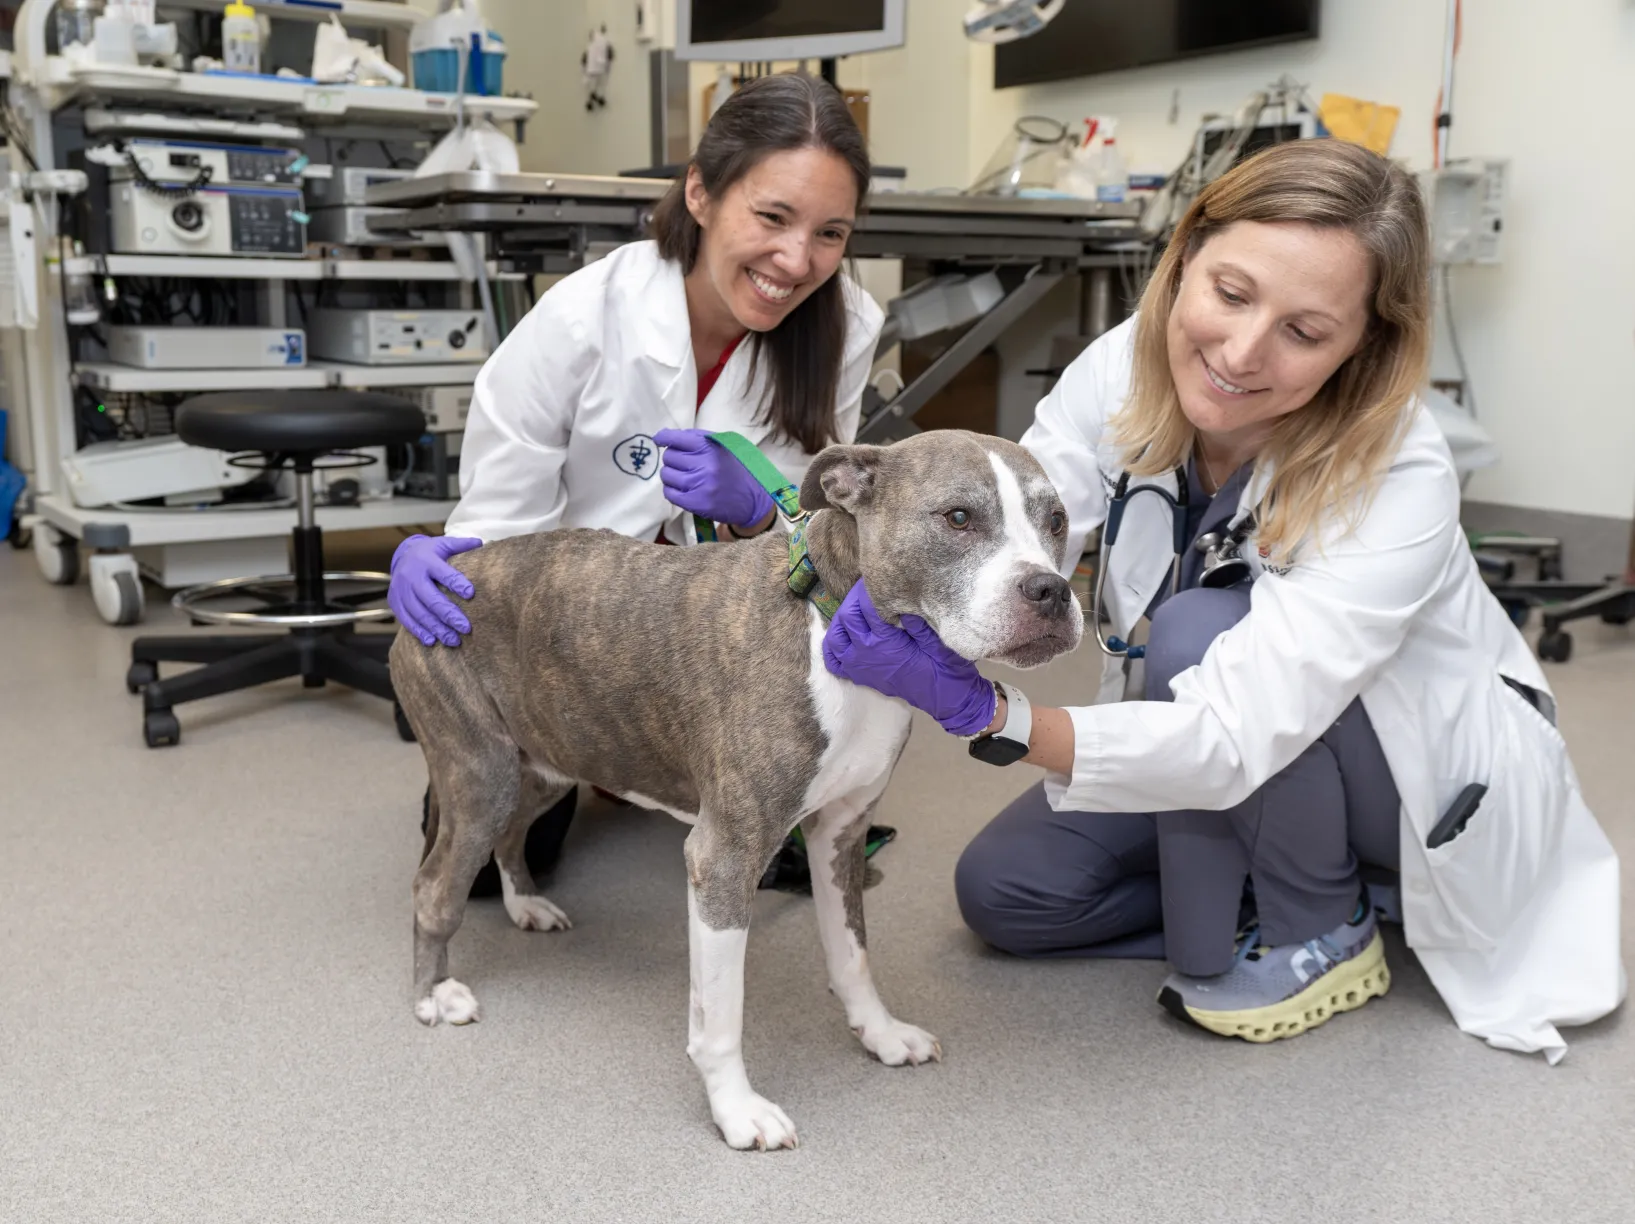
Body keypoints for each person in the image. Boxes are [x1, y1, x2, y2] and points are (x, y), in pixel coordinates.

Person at [820, 139, 1623, 1062]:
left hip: (1404, 789)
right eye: (1231, 294)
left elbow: (1238, 730)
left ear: (1365, 343)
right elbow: (1026, 528)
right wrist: (821, 544)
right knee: (1011, 895)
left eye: (1305, 331)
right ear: (1185, 257)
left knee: (1201, 631)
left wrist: (989, 713)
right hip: (1228, 740)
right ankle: (1267, 876)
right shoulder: (1125, 366)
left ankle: (1324, 924)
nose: (1240, 353)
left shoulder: (1398, 469)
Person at [388, 73, 885, 892]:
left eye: (829, 233)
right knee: (484, 871)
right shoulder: (581, 318)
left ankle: (671, 759)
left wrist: (761, 506)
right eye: (770, 217)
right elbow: (505, 515)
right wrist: (450, 561)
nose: (796, 261)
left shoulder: (846, 325)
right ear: (699, 192)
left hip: (722, 634)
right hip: (570, 633)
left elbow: (824, 526)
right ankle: (614, 760)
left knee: (768, 813)